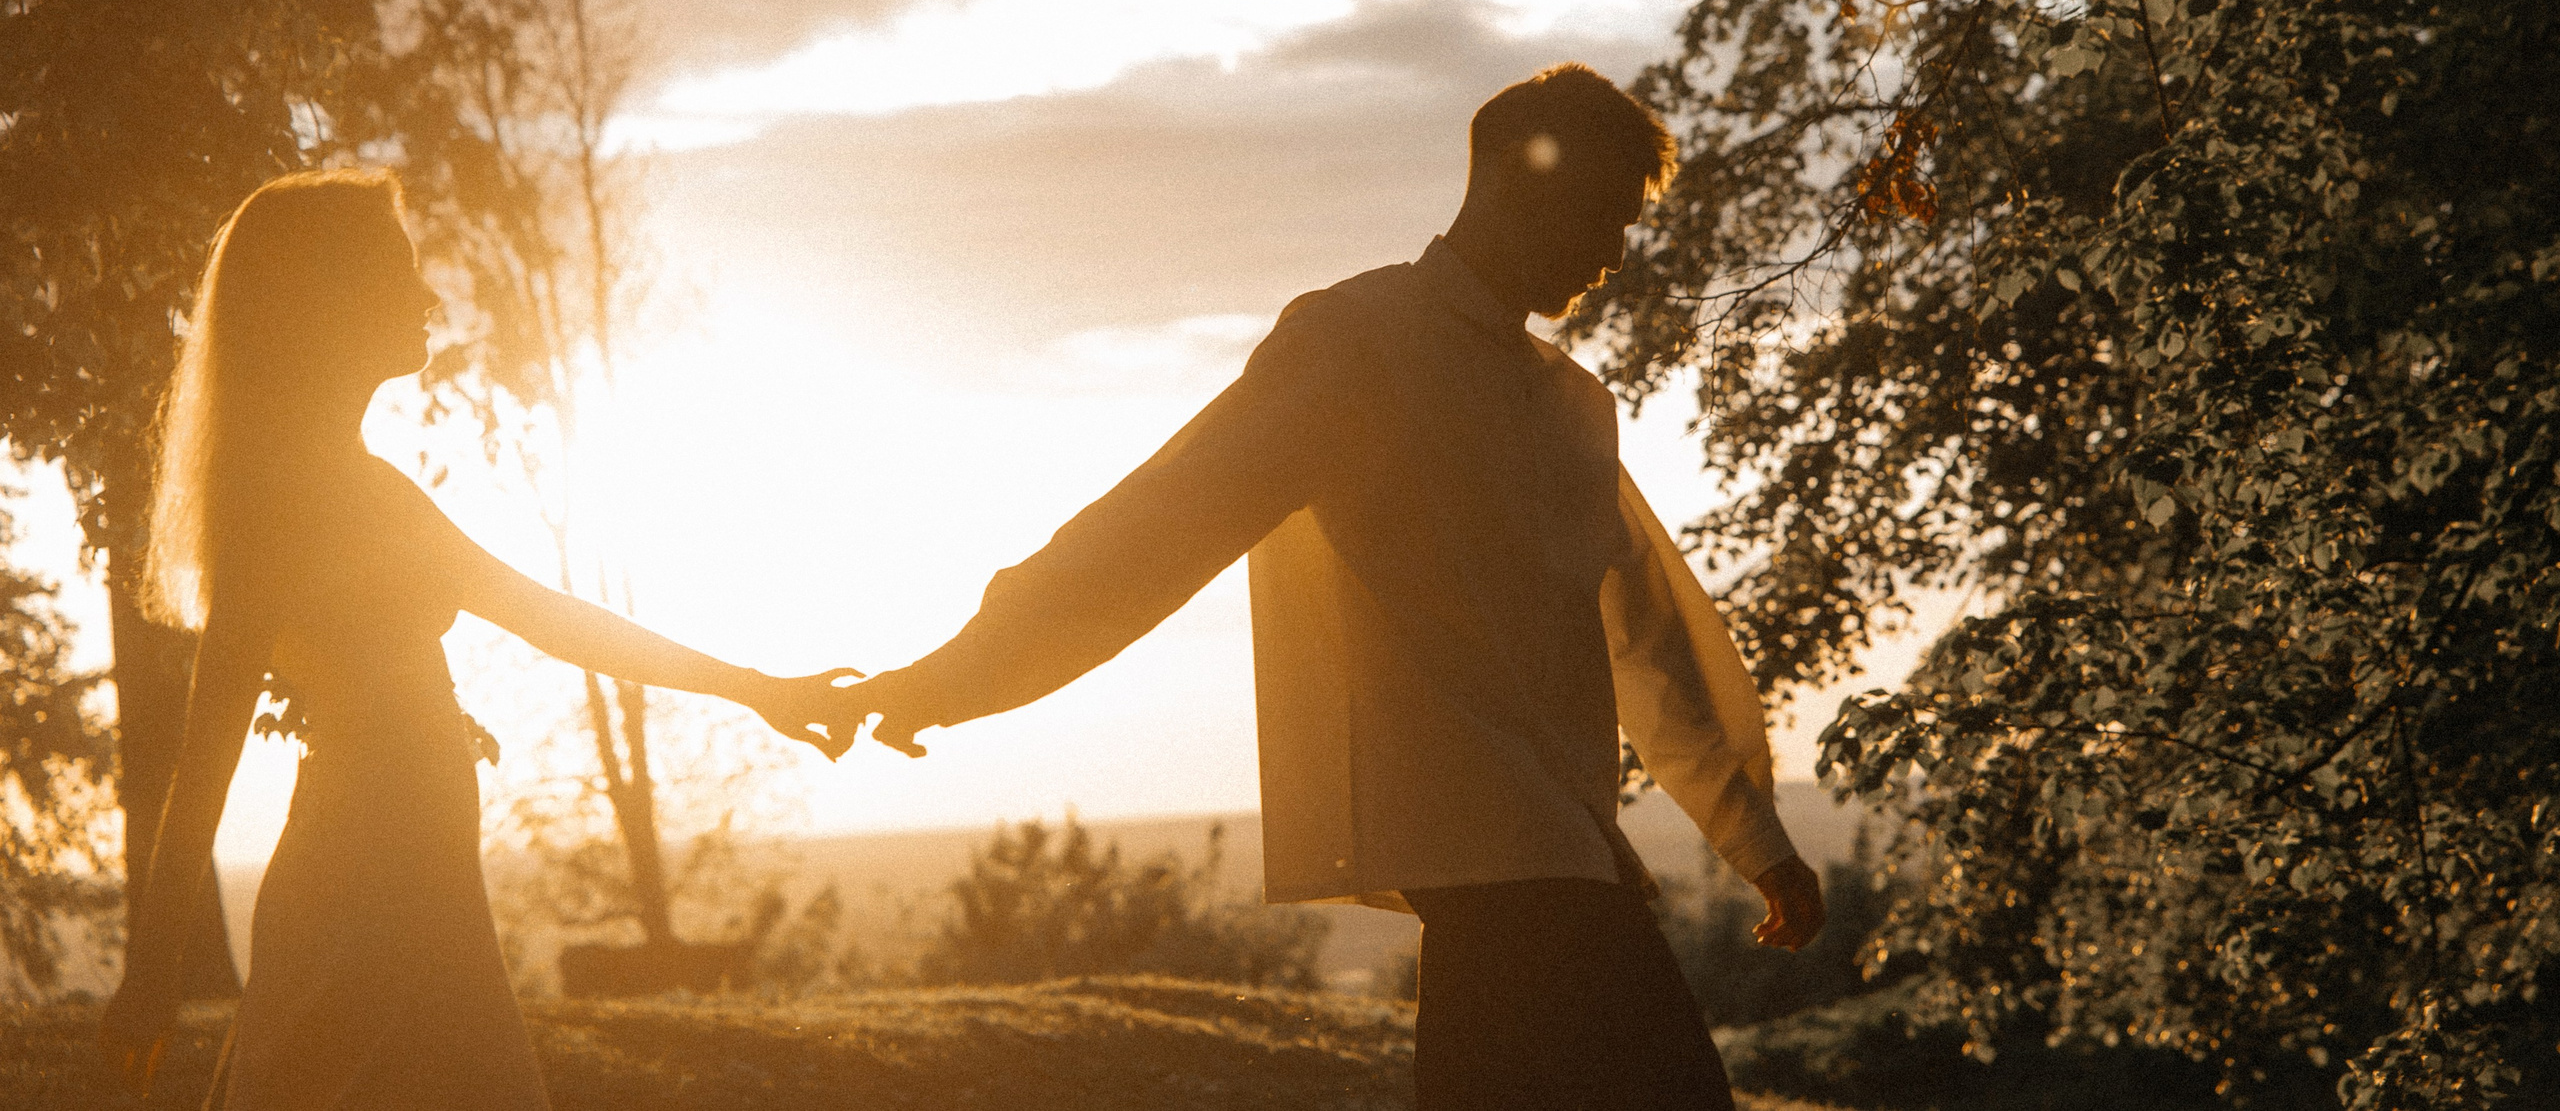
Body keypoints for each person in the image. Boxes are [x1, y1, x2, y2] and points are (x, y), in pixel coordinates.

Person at [812, 63, 1826, 1110]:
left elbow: (1651, 628)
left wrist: (1756, 835)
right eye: (1603, 218)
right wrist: (957, 677)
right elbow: (1159, 526)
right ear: (1517, 185)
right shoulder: (1354, 346)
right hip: (1498, 865)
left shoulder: (1573, 405)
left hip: (1554, 859)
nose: (1617, 255)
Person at [100, 169, 855, 1108]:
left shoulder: (368, 493)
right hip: (368, 896)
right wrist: (151, 973)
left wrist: (762, 690)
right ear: (326, 299)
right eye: (399, 270)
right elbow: (203, 758)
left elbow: (558, 619)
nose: (427, 296)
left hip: (413, 882)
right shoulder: (290, 510)